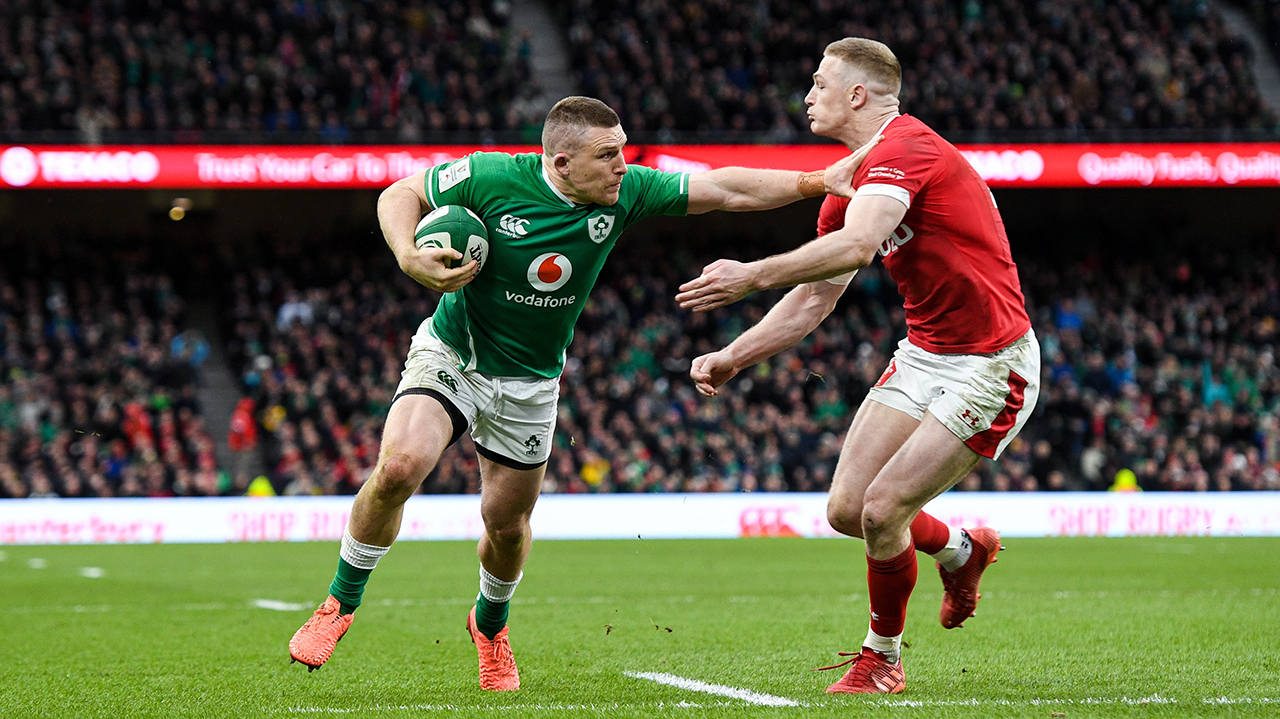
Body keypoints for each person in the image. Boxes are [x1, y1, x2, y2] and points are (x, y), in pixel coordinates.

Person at [288, 96, 878, 689]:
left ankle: (490, 625)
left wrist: (815, 180)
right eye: (608, 155)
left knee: (506, 523)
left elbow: (723, 189)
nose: (623, 165)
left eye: (622, 150)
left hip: (531, 381)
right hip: (453, 352)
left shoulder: (627, 192)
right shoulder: (493, 176)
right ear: (562, 162)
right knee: (400, 467)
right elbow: (400, 194)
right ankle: (340, 602)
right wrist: (409, 256)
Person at [675, 39, 1040, 695]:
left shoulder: (908, 150)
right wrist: (733, 356)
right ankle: (963, 548)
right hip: (927, 352)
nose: (808, 94)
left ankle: (883, 659)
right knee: (848, 508)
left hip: (991, 361)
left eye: (819, 82)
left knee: (882, 509)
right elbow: (817, 296)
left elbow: (860, 243)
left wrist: (752, 274)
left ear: (857, 95)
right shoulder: (849, 177)